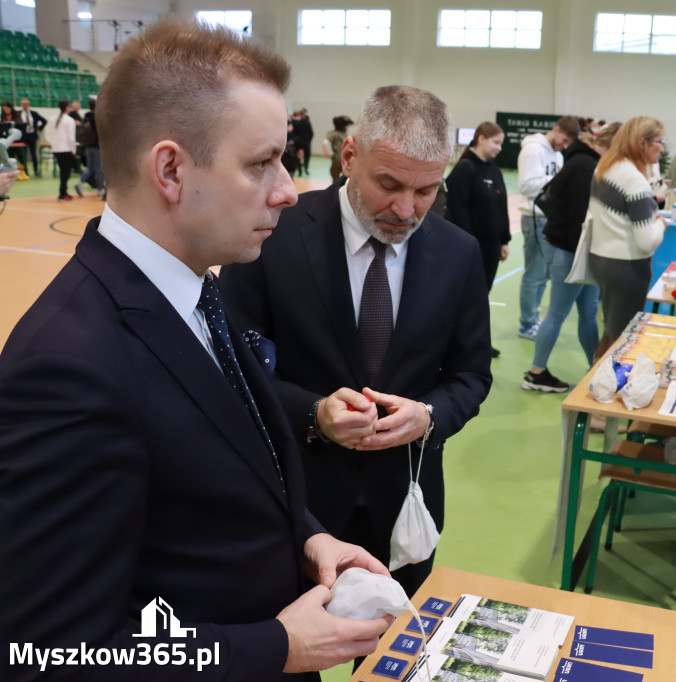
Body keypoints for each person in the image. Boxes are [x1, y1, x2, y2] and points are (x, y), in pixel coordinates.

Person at [0, 18, 394, 680]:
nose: (288, 190)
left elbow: (216, 474)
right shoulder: (68, 368)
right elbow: (44, 650)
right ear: (171, 169)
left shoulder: (195, 294)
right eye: (260, 163)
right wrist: (278, 646)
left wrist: (306, 536)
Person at [219, 85, 492, 599]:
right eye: (388, 183)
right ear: (348, 157)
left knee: (392, 664)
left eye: (428, 190)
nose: (407, 209)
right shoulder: (272, 234)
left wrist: (428, 417)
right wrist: (315, 413)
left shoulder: (459, 253)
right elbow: (232, 368)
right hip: (294, 505)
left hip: (405, 508)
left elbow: (471, 375)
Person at [522, 122, 621, 392]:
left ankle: (597, 366)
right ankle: (535, 372)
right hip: (570, 251)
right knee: (556, 312)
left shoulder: (584, 162)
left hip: (577, 250)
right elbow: (579, 216)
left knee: (588, 314)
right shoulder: (584, 166)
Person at [588, 116, 667, 358]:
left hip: (602, 260)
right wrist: (660, 224)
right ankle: (602, 389)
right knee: (622, 340)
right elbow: (646, 242)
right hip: (627, 267)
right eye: (659, 142)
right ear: (642, 142)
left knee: (611, 332)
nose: (662, 149)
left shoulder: (606, 167)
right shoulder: (634, 180)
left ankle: (595, 383)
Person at [445, 121, 510, 358]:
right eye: (496, 142)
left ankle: (477, 343)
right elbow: (458, 209)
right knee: (465, 299)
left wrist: (504, 240)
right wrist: (467, 245)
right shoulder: (465, 168)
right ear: (480, 139)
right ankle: (456, 344)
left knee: (482, 298)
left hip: (491, 247)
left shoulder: (494, 169)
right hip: (472, 248)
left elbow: (501, 206)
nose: (499, 148)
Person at [517, 115, 580, 340]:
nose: (563, 146)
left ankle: (533, 317)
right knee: (534, 275)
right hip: (535, 218)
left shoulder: (557, 153)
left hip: (550, 219)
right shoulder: (533, 150)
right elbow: (526, 185)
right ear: (556, 129)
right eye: (563, 140)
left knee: (543, 275)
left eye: (567, 144)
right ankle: (526, 324)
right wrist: (557, 180)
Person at [75, 97, 105, 199]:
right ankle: (100, 189)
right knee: (99, 168)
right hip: (96, 146)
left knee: (89, 167)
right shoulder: (96, 118)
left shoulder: (85, 117)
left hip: (87, 146)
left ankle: (80, 182)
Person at [50, 99, 78, 201]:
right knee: (65, 172)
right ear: (67, 107)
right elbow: (71, 137)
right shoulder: (69, 120)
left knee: (63, 171)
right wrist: (73, 149)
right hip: (66, 149)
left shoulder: (53, 119)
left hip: (57, 149)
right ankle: (62, 193)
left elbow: (51, 134)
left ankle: (64, 191)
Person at [17, 97, 46, 177]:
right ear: (21, 105)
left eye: (26, 104)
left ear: (29, 105)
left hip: (32, 135)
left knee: (34, 154)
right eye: (23, 104)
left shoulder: (33, 113)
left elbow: (44, 121)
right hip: (23, 136)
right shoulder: (18, 113)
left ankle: (36, 170)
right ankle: (24, 171)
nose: (25, 105)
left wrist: (39, 128)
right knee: (23, 154)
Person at [323, 114, 353, 182]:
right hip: (347, 158)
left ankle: (335, 191)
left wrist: (325, 152)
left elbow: (324, 143)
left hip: (337, 158)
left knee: (335, 177)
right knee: (346, 178)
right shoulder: (346, 134)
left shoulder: (333, 133)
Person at [291, 108, 313, 177]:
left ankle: (299, 169)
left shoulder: (295, 123)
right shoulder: (307, 122)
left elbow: (294, 133)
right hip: (306, 142)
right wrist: (308, 141)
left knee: (298, 155)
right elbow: (311, 133)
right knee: (307, 155)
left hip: (298, 142)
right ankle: (306, 167)